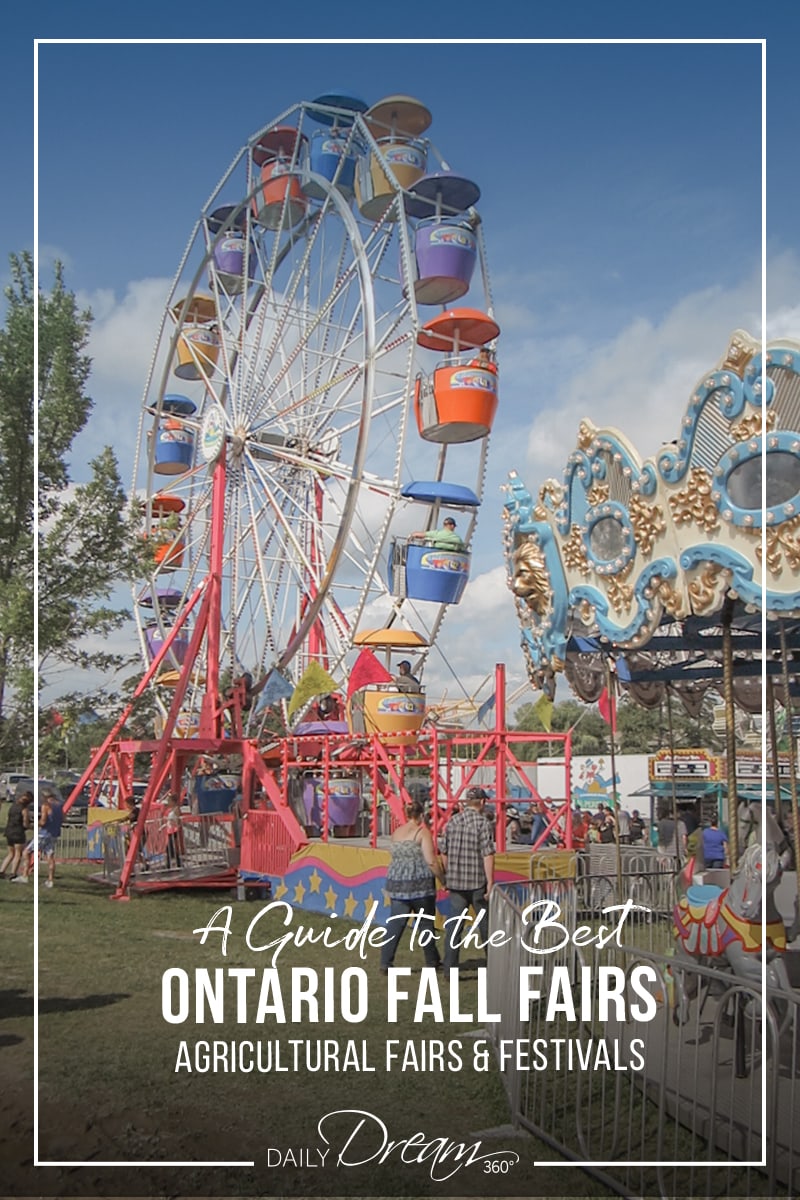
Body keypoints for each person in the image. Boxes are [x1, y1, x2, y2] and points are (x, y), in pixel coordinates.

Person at [380, 798, 445, 973]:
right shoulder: (422, 833)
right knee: (425, 924)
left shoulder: (396, 833)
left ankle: (386, 961)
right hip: (420, 884)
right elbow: (431, 861)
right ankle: (432, 960)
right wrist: (442, 879)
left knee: (396, 923)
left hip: (397, 883)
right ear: (421, 815)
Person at [440, 786, 495, 971]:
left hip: (455, 882)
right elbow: (487, 855)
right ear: (482, 802)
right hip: (477, 881)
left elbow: (444, 852)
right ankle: (494, 964)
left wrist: (447, 875)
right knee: (485, 925)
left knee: (454, 927)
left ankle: (449, 966)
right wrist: (490, 882)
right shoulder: (483, 823)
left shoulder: (453, 822)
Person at [15, 790, 63, 887]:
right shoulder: (59, 806)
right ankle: (50, 880)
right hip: (54, 834)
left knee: (26, 852)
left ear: (44, 797)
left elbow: (43, 821)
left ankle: (25, 876)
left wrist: (33, 824)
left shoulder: (46, 806)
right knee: (50, 857)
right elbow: (63, 818)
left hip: (44, 834)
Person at [1, 790, 34, 879]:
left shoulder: (13, 806)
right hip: (18, 833)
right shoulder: (24, 810)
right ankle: (13, 873)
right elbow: (25, 824)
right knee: (18, 854)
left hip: (9, 831)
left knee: (10, 853)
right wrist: (32, 827)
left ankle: (2, 871)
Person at [163, 794, 183, 869]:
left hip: (174, 830)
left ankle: (169, 864)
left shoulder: (176, 809)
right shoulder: (171, 809)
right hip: (170, 829)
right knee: (171, 848)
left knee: (169, 847)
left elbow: (178, 820)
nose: (168, 802)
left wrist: (176, 824)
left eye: (169, 801)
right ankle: (177, 862)